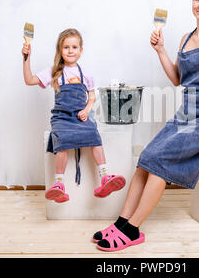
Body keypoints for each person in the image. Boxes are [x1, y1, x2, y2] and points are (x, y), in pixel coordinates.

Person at [93, 0, 199, 251]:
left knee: (159, 162)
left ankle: (133, 229)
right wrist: (161, 50)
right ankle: (121, 222)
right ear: (192, 2)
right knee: (146, 158)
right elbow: (177, 79)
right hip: (186, 112)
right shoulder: (185, 39)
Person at [22, 28, 126, 203]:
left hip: (80, 116)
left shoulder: (86, 74)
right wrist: (26, 58)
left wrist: (86, 110)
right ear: (60, 51)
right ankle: (59, 185)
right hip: (62, 117)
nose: (70, 51)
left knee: (94, 135)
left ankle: (105, 177)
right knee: (61, 140)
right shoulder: (54, 72)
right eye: (66, 47)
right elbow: (29, 80)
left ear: (81, 50)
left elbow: (92, 97)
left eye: (74, 47)